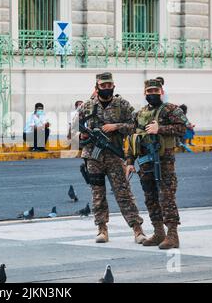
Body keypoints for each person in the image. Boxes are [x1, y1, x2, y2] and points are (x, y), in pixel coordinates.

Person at [77, 72, 146, 244]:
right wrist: (82, 137)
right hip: (93, 157)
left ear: (113, 86)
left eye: (109, 85)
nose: (107, 88)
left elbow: (136, 126)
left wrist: (116, 126)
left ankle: (137, 229)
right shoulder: (86, 107)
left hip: (115, 155)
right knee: (97, 195)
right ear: (97, 87)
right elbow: (74, 130)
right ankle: (102, 229)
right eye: (103, 85)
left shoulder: (122, 105)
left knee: (124, 193)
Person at [126, 79, 187, 250]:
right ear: (144, 93)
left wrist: (160, 129)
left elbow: (183, 128)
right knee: (150, 198)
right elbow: (132, 138)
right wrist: (130, 161)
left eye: (155, 90)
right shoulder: (139, 114)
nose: (152, 93)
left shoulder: (171, 109)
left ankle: (173, 235)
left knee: (166, 197)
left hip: (164, 162)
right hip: (145, 162)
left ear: (161, 91)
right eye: (149, 91)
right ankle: (158, 232)